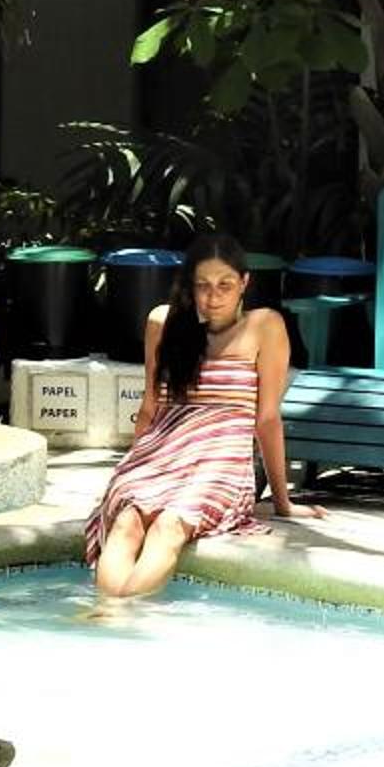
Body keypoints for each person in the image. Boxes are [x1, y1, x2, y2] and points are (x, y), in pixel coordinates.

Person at [86, 235, 307, 600]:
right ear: (189, 285)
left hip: (220, 461)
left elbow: (267, 420)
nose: (213, 296)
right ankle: (108, 615)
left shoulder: (265, 326)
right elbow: (149, 408)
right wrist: (131, 470)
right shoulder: (163, 322)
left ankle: (114, 615)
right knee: (126, 522)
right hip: (160, 455)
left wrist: (283, 503)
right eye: (203, 285)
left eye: (225, 285)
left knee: (168, 527)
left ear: (244, 283)